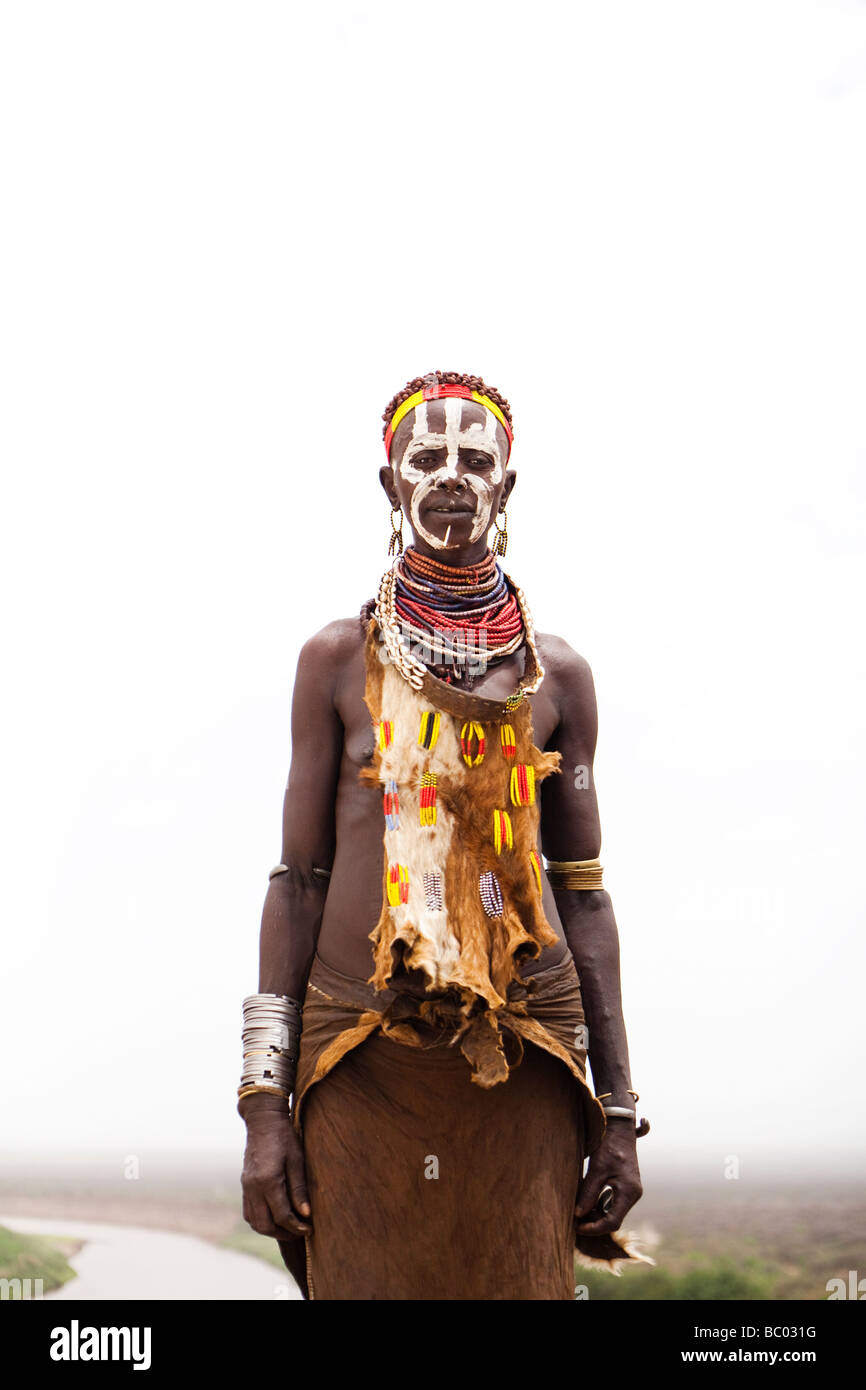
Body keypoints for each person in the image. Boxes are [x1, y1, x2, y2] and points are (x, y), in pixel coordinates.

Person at [237, 370, 650, 1300]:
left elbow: (582, 891)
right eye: (427, 458)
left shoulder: (561, 680)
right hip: (361, 1054)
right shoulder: (339, 660)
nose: (452, 475)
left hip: (528, 1058)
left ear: (507, 486)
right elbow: (298, 880)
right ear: (392, 485)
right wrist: (264, 1106)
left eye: (476, 459)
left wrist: (617, 1111)